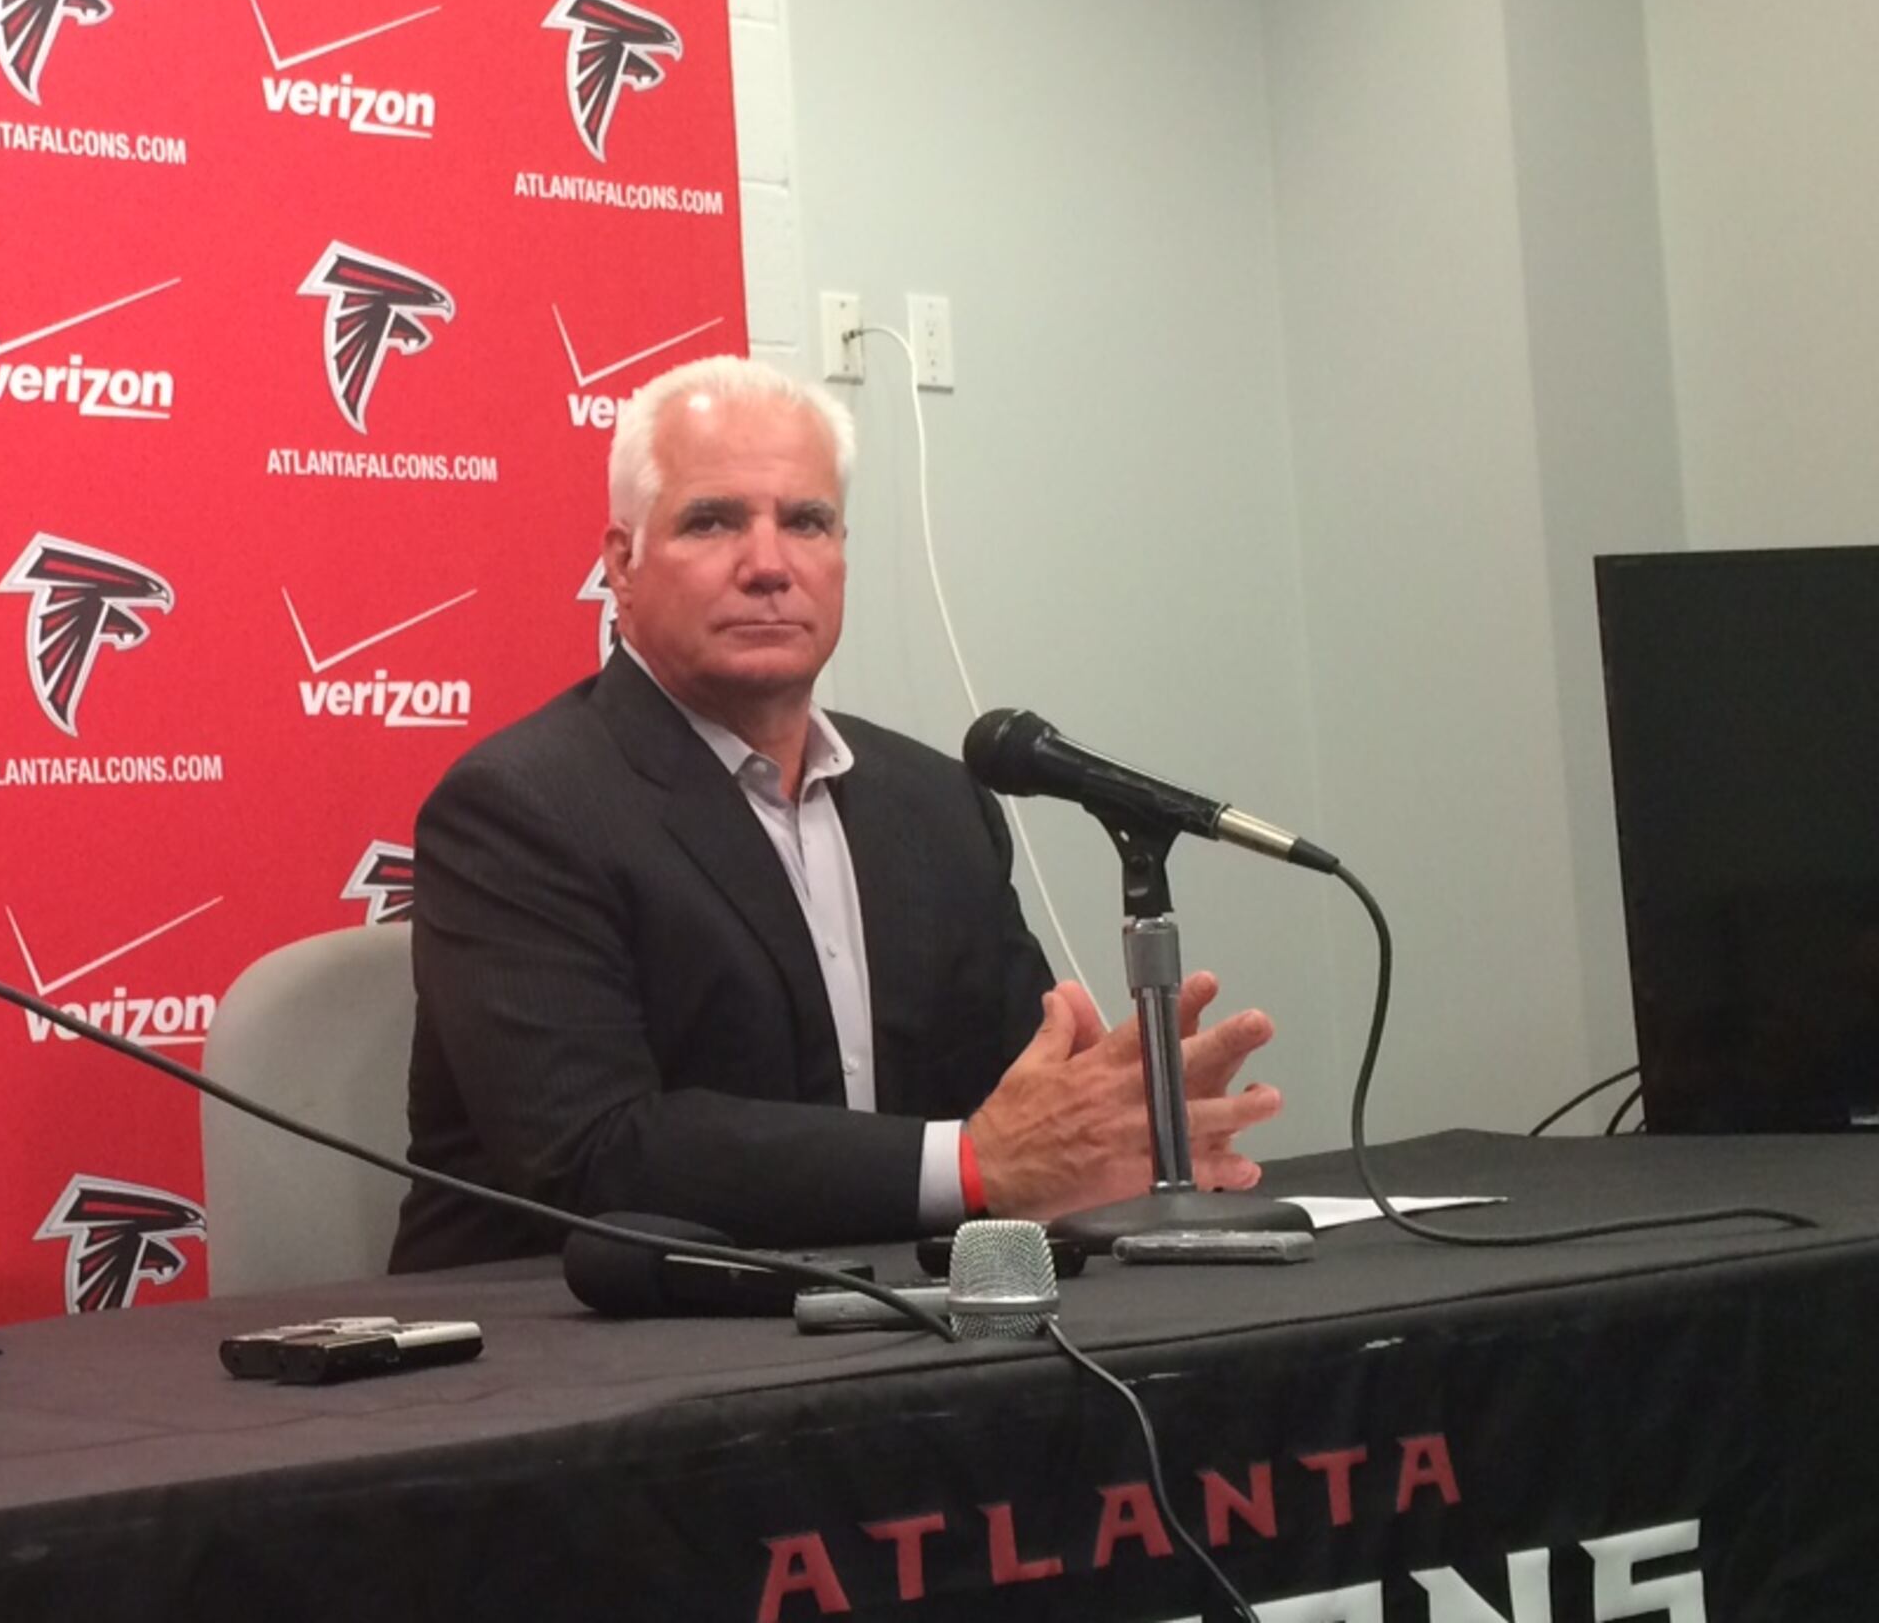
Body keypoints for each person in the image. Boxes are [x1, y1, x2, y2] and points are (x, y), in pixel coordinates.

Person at [392, 354, 1279, 1270]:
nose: (768, 566)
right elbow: (595, 1154)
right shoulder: (521, 807)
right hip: (575, 1327)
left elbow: (1025, 1100)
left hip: (899, 1305)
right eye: (712, 521)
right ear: (622, 563)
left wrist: (1119, 1132)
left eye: (806, 522)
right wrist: (970, 1164)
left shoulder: (937, 802)